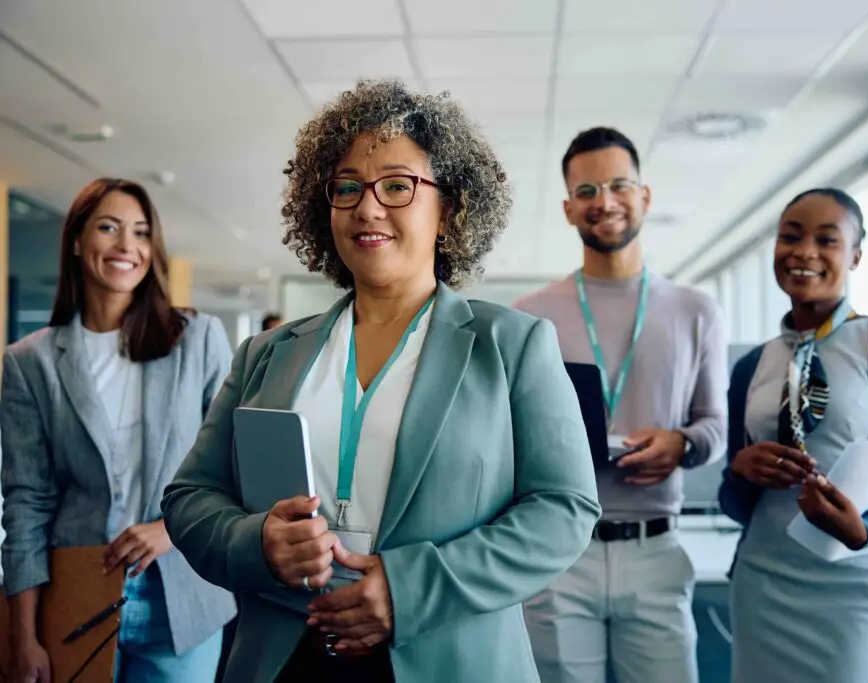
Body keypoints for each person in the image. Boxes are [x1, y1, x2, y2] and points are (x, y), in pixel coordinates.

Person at [161, 79, 601, 683]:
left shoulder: (514, 346)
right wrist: (255, 541)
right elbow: (190, 498)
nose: (368, 207)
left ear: (449, 209)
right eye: (348, 188)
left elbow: (565, 509)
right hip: (286, 659)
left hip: (447, 656)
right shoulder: (265, 353)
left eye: (398, 186)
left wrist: (408, 588)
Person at [1, 178, 237, 683]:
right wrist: (20, 635)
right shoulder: (30, 363)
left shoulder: (197, 339)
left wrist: (172, 528)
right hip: (74, 593)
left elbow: (232, 463)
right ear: (77, 241)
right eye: (109, 228)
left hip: (182, 603)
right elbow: (26, 502)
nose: (127, 246)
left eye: (141, 232)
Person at [514, 127, 728, 683]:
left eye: (618, 185)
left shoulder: (695, 309)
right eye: (586, 191)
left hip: (656, 548)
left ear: (644, 196)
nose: (603, 201)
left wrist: (682, 444)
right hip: (562, 549)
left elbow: (715, 426)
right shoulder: (531, 316)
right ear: (568, 209)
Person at [719, 188, 868, 683]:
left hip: (860, 585)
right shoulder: (751, 366)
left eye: (827, 240)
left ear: (855, 256)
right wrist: (741, 472)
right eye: (790, 237)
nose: (804, 252)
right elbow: (735, 501)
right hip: (764, 584)